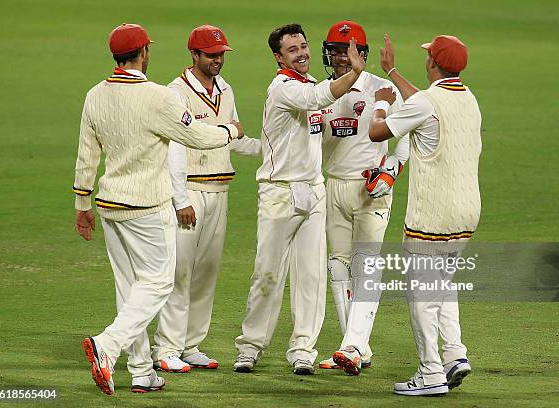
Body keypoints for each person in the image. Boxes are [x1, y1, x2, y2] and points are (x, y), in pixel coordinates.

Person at [74, 23, 242, 395]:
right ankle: (108, 344)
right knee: (159, 283)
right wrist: (229, 132)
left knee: (129, 288)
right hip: (148, 207)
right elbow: (196, 136)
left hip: (108, 204)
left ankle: (140, 372)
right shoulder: (159, 97)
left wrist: (81, 203)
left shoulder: (94, 95)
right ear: (144, 53)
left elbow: (87, 155)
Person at [233, 23, 365, 375]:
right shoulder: (283, 87)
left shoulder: (307, 85)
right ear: (278, 57)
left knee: (311, 276)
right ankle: (250, 347)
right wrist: (354, 72)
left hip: (314, 190)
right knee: (267, 274)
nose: (303, 53)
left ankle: (303, 349)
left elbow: (299, 136)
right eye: (293, 50)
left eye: (304, 46)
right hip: (279, 192)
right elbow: (317, 99)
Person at [369, 34, 481, 396]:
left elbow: (377, 133)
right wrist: (393, 71)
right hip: (467, 213)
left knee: (421, 294)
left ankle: (431, 372)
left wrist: (381, 103)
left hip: (433, 215)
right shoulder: (467, 98)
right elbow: (425, 102)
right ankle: (454, 354)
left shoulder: (425, 103)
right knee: (444, 284)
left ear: (432, 62)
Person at [152, 25, 261, 373]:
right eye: (211, 55)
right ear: (194, 55)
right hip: (190, 194)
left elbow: (233, 136)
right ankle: (166, 348)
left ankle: (190, 344)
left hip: (220, 192)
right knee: (180, 272)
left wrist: (271, 151)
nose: (217, 60)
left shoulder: (225, 89)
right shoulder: (175, 92)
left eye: (221, 54)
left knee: (206, 273)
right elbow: (174, 148)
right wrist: (180, 198)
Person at [315, 20, 409, 375]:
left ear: (363, 54)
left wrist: (393, 170)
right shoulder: (321, 93)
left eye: (348, 50)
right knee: (339, 265)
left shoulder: (382, 89)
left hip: (370, 187)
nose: (340, 57)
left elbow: (409, 133)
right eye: (335, 50)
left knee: (366, 264)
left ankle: (352, 345)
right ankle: (354, 348)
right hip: (333, 185)